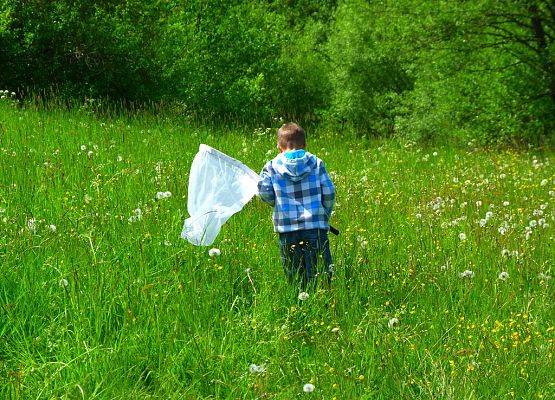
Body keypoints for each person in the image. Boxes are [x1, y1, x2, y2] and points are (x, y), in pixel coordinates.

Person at [258, 122, 335, 288]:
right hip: (315, 227)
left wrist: (276, 203)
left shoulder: (271, 166)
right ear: (305, 145)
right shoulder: (316, 163)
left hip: (287, 230)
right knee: (320, 273)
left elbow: (264, 193)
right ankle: (323, 303)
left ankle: (298, 303)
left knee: (294, 275)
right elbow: (329, 192)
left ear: (279, 147)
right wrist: (324, 214)